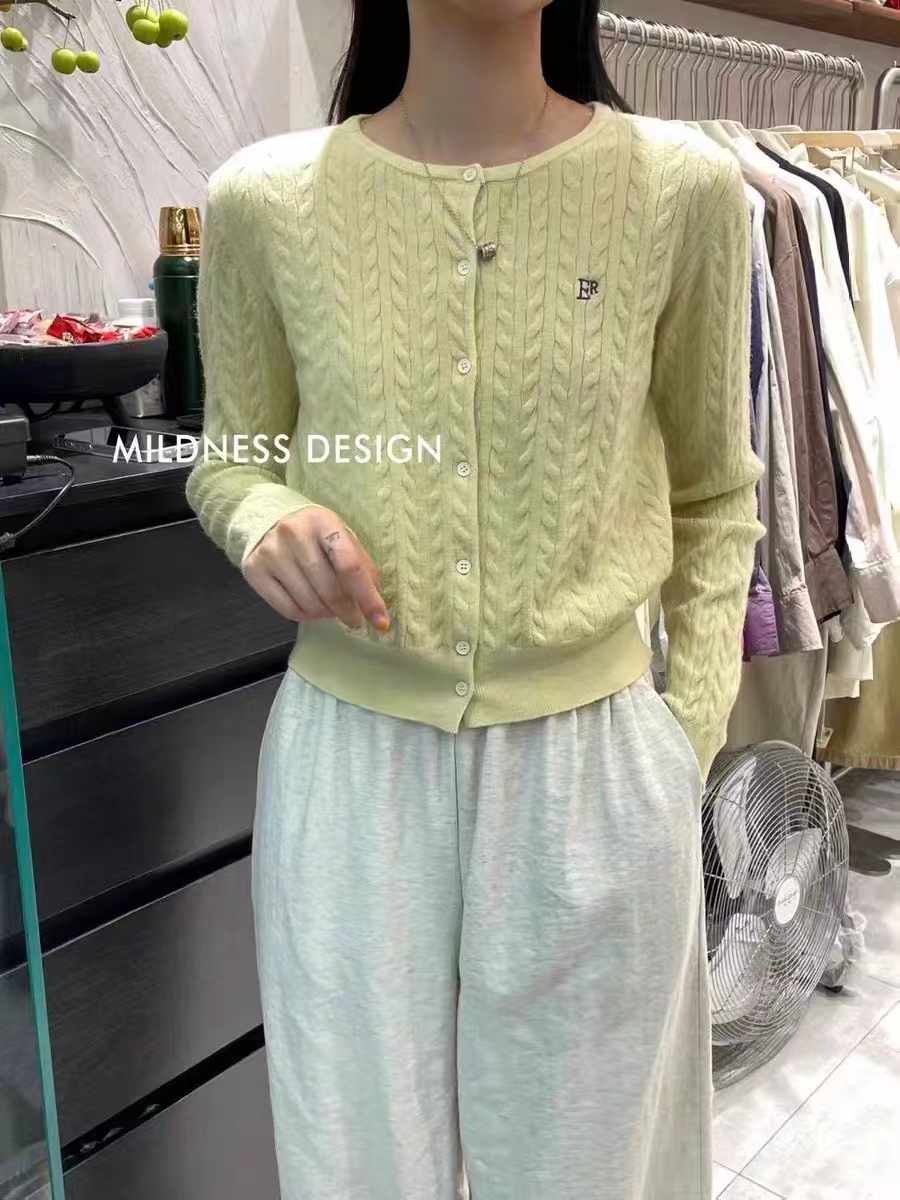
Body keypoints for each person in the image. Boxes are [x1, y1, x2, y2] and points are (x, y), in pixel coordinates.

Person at [185, 2, 765, 1197]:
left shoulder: (682, 191)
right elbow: (229, 458)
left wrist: (684, 739)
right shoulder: (265, 200)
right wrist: (262, 516)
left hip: (594, 773)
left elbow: (717, 494)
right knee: (353, 1166)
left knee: (591, 1171)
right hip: (350, 775)